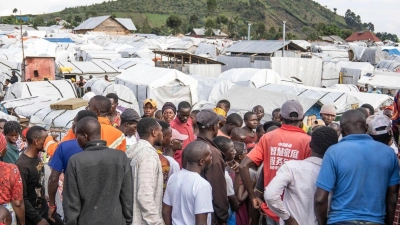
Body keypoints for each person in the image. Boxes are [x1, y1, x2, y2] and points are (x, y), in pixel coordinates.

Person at [315, 109, 399, 225]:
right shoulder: (389, 154)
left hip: (340, 220)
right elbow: (393, 195)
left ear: (342, 131)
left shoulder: (334, 152)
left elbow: (320, 199)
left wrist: (322, 222)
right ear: (366, 127)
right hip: (375, 221)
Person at [239, 100, 312, 225]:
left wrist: (253, 197)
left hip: (273, 207)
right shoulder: (308, 141)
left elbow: (243, 165)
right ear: (303, 118)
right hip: (297, 209)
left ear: (281, 117)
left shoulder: (268, 137)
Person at [63, 117, 132, 225]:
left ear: (85, 136)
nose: (76, 140)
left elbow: (71, 203)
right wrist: (127, 220)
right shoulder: (120, 157)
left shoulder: (75, 161)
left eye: (77, 136)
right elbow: (127, 195)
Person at [265, 126, 338, 225]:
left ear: (310, 145)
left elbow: (270, 195)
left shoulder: (291, 167)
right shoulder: (337, 172)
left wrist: (288, 219)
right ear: (334, 147)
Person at [47, 111, 98, 220]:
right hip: (98, 200)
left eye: (74, 122)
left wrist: (52, 204)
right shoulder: (106, 146)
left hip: (72, 199)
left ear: (80, 125)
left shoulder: (64, 147)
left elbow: (53, 178)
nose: (72, 125)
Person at [16, 126, 63, 225]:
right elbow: (22, 198)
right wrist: (38, 219)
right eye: (45, 140)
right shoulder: (22, 166)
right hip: (33, 216)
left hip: (43, 208)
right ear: (36, 141)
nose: (48, 143)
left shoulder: (36, 158)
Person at [162, 141, 214, 225]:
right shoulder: (202, 185)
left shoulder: (174, 177)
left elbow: (165, 211)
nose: (211, 158)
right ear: (201, 162)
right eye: (210, 155)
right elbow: (201, 222)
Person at [192, 109, 228, 225]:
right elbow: (218, 188)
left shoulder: (191, 148)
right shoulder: (212, 153)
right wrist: (223, 217)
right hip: (209, 213)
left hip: (192, 209)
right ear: (214, 127)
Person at [127, 118, 164, 225]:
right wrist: (156, 222)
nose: (162, 134)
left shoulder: (136, 151)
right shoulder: (148, 155)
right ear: (154, 132)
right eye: (160, 131)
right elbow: (144, 195)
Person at [0, 132, 25, 225]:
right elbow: (18, 203)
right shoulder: (11, 169)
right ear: (2, 150)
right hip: (5, 217)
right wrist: (22, 223)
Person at [170, 101, 195, 168]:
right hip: (179, 162)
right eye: (182, 115)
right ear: (177, 112)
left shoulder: (189, 120)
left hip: (190, 161)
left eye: (187, 115)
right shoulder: (172, 126)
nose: (185, 118)